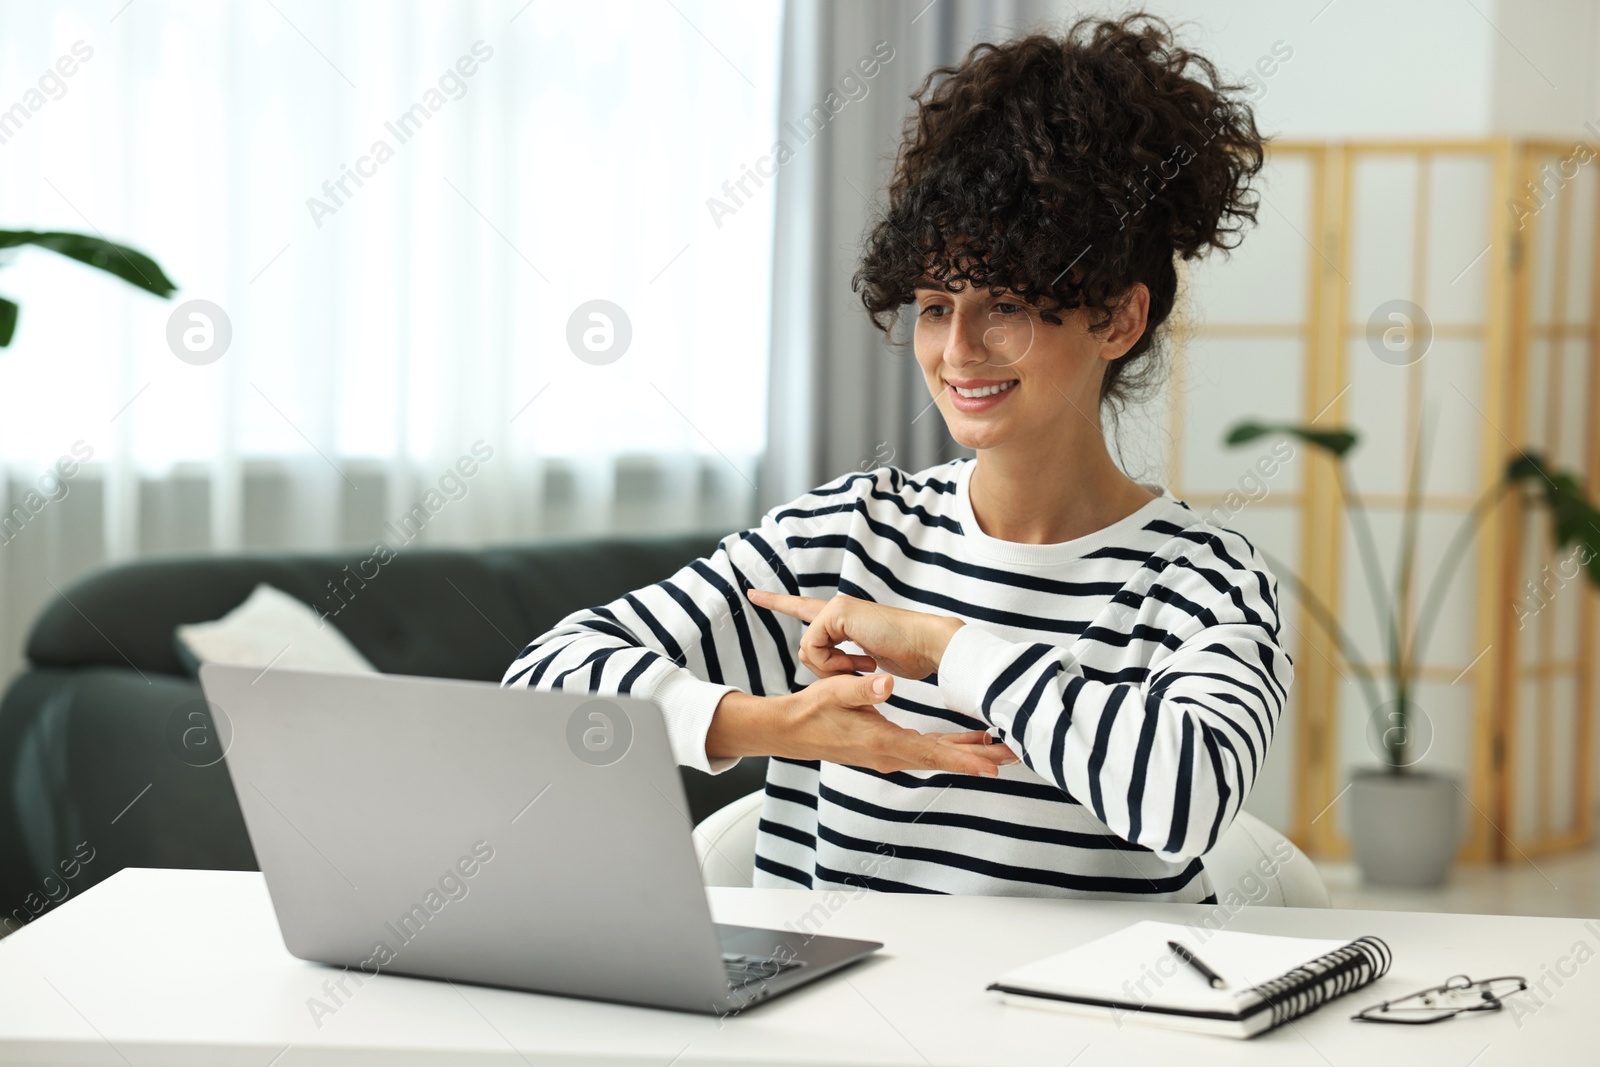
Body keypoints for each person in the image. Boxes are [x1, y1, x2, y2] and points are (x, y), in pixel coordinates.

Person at [505, 12, 1284, 901]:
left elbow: (1183, 800)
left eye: (1008, 306)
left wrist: (947, 646)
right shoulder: (852, 534)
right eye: (937, 304)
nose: (959, 351)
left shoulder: (1204, 579)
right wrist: (776, 725)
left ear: (1118, 318)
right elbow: (545, 681)